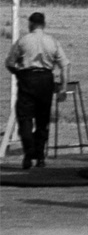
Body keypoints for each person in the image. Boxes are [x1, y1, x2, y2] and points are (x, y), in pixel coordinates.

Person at [6, 12, 69, 169]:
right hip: (46, 80)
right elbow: (65, 64)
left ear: (31, 24)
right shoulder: (52, 41)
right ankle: (40, 156)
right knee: (42, 120)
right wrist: (63, 86)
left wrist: (18, 73)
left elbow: (9, 62)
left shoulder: (23, 41)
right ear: (43, 24)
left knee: (25, 117)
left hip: (27, 79)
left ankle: (29, 151)